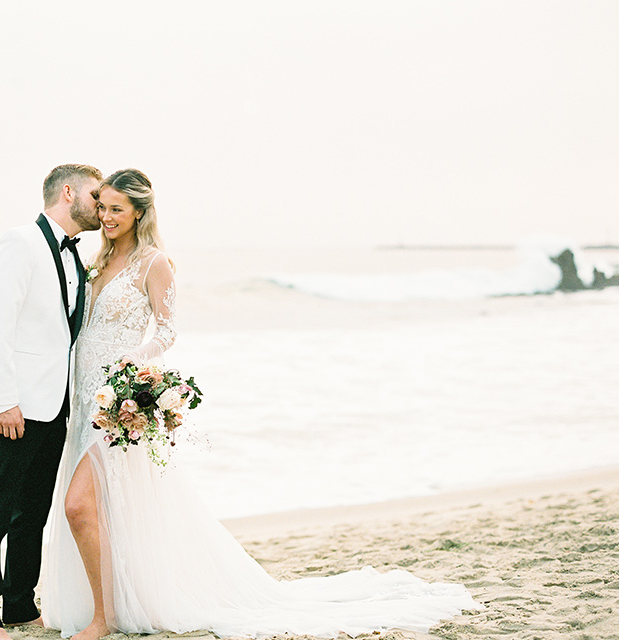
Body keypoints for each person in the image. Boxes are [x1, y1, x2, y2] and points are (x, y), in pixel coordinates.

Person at [41, 168, 480, 640]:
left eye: (116, 210)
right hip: (83, 399)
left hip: (119, 399)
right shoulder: (95, 259)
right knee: (109, 511)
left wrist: (135, 363)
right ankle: (115, 605)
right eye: (102, 207)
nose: (105, 217)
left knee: (79, 506)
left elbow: (167, 331)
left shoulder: (154, 262)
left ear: (139, 213)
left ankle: (103, 621)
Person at [0, 164, 103, 640]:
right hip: (15, 407)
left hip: (55, 404)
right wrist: (3, 400)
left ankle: (20, 605)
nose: (102, 205)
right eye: (95, 195)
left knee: (33, 513)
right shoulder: (19, 242)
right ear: (68, 192)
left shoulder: (76, 257)